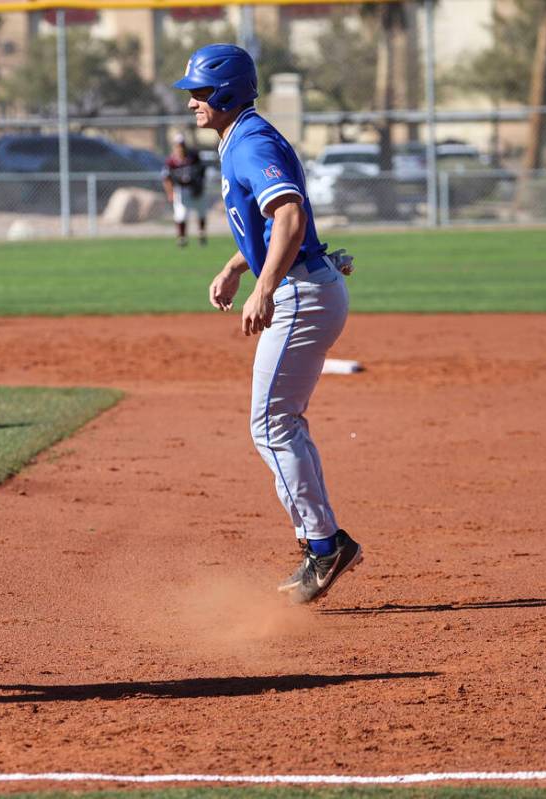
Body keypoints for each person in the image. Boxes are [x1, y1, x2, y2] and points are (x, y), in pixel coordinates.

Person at [174, 44, 362, 604]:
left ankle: (325, 548)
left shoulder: (250, 141)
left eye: (200, 92)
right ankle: (321, 545)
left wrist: (263, 287)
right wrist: (237, 264)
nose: (192, 103)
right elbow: (269, 219)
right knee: (276, 421)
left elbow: (289, 214)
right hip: (307, 283)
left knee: (272, 423)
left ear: (228, 91)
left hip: (301, 292)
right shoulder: (242, 137)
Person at [161, 133, 209, 248]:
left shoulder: (193, 157)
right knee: (181, 215)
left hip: (196, 188)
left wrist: (200, 185)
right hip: (181, 189)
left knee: (201, 212)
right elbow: (166, 178)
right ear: (174, 146)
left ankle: (201, 234)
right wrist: (170, 193)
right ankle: (182, 238)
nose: (180, 148)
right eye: (178, 145)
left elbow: (202, 171)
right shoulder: (171, 162)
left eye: (182, 145)